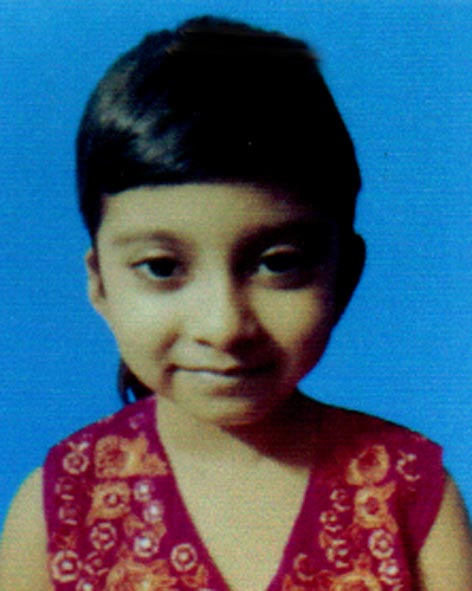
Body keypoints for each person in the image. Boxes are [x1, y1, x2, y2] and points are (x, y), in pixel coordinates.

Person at [1, 15, 471, 591]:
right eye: (162, 267)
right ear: (100, 283)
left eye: (277, 263)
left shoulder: (410, 493)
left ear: (344, 275)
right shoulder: (56, 512)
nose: (224, 326)